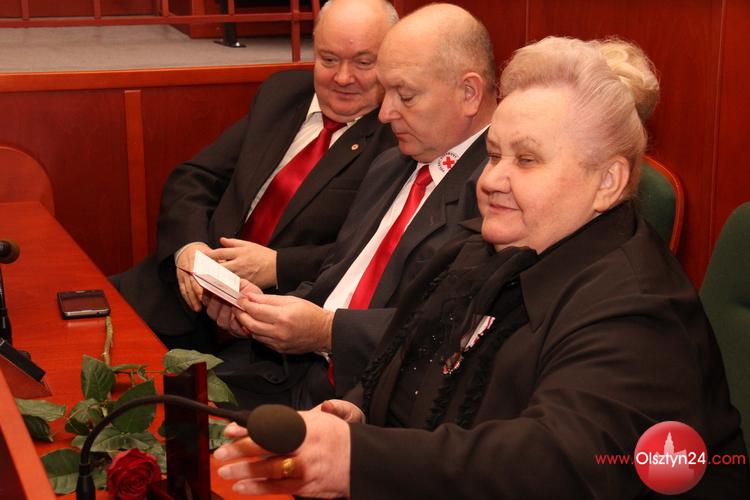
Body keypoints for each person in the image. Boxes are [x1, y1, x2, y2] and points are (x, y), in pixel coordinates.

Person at [211, 37, 750, 498]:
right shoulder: (478, 247)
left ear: (607, 183)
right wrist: (361, 414)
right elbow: (415, 362)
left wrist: (359, 457)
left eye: (527, 160)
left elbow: (558, 463)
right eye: (493, 155)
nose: (490, 180)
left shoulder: (639, 311)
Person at [207, 3, 498, 408]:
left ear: (469, 93)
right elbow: (338, 278)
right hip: (295, 374)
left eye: (405, 95)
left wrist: (327, 331)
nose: (385, 113)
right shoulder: (391, 164)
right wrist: (263, 311)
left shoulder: (495, 191)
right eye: (385, 91)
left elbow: (452, 327)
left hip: (380, 404)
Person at [112, 0, 398, 352]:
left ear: (392, 61)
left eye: (363, 63)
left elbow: (377, 251)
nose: (342, 77)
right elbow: (195, 178)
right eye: (328, 59)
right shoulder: (283, 94)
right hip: (179, 295)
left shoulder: (398, 139)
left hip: (268, 338)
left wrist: (278, 266)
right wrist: (189, 248)